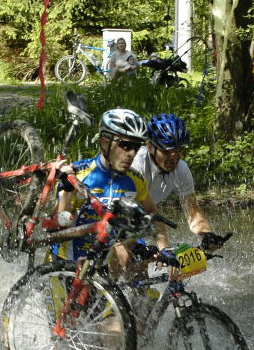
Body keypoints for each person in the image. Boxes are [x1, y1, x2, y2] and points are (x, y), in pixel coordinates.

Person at [52, 108, 168, 280]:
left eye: (136, 147)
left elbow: (152, 214)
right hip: (66, 262)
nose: (131, 154)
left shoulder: (136, 179)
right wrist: (68, 190)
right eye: (125, 145)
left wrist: (164, 249)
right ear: (105, 142)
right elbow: (58, 224)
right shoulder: (78, 173)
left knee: (136, 260)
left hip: (101, 264)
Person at [131, 114, 226, 251]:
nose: (173, 158)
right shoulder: (136, 165)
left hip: (143, 217)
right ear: (150, 146)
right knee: (137, 261)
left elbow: (193, 212)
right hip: (113, 214)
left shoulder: (181, 169)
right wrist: (164, 248)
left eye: (178, 151)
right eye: (167, 151)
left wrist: (207, 235)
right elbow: (147, 213)